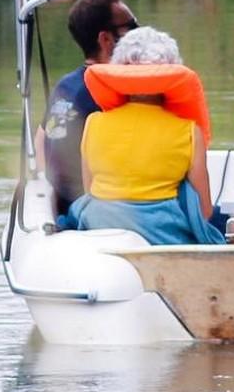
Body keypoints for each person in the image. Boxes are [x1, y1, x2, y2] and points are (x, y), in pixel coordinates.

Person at [71, 26, 224, 245]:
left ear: (120, 70)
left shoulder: (93, 123)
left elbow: (90, 189)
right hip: (165, 237)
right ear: (172, 73)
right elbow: (204, 211)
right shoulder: (189, 131)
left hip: (100, 226)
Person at [40, 0, 136, 217]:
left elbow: (41, 139)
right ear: (105, 39)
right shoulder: (109, 92)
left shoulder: (65, 86)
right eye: (131, 27)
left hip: (65, 207)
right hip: (95, 211)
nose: (138, 33)